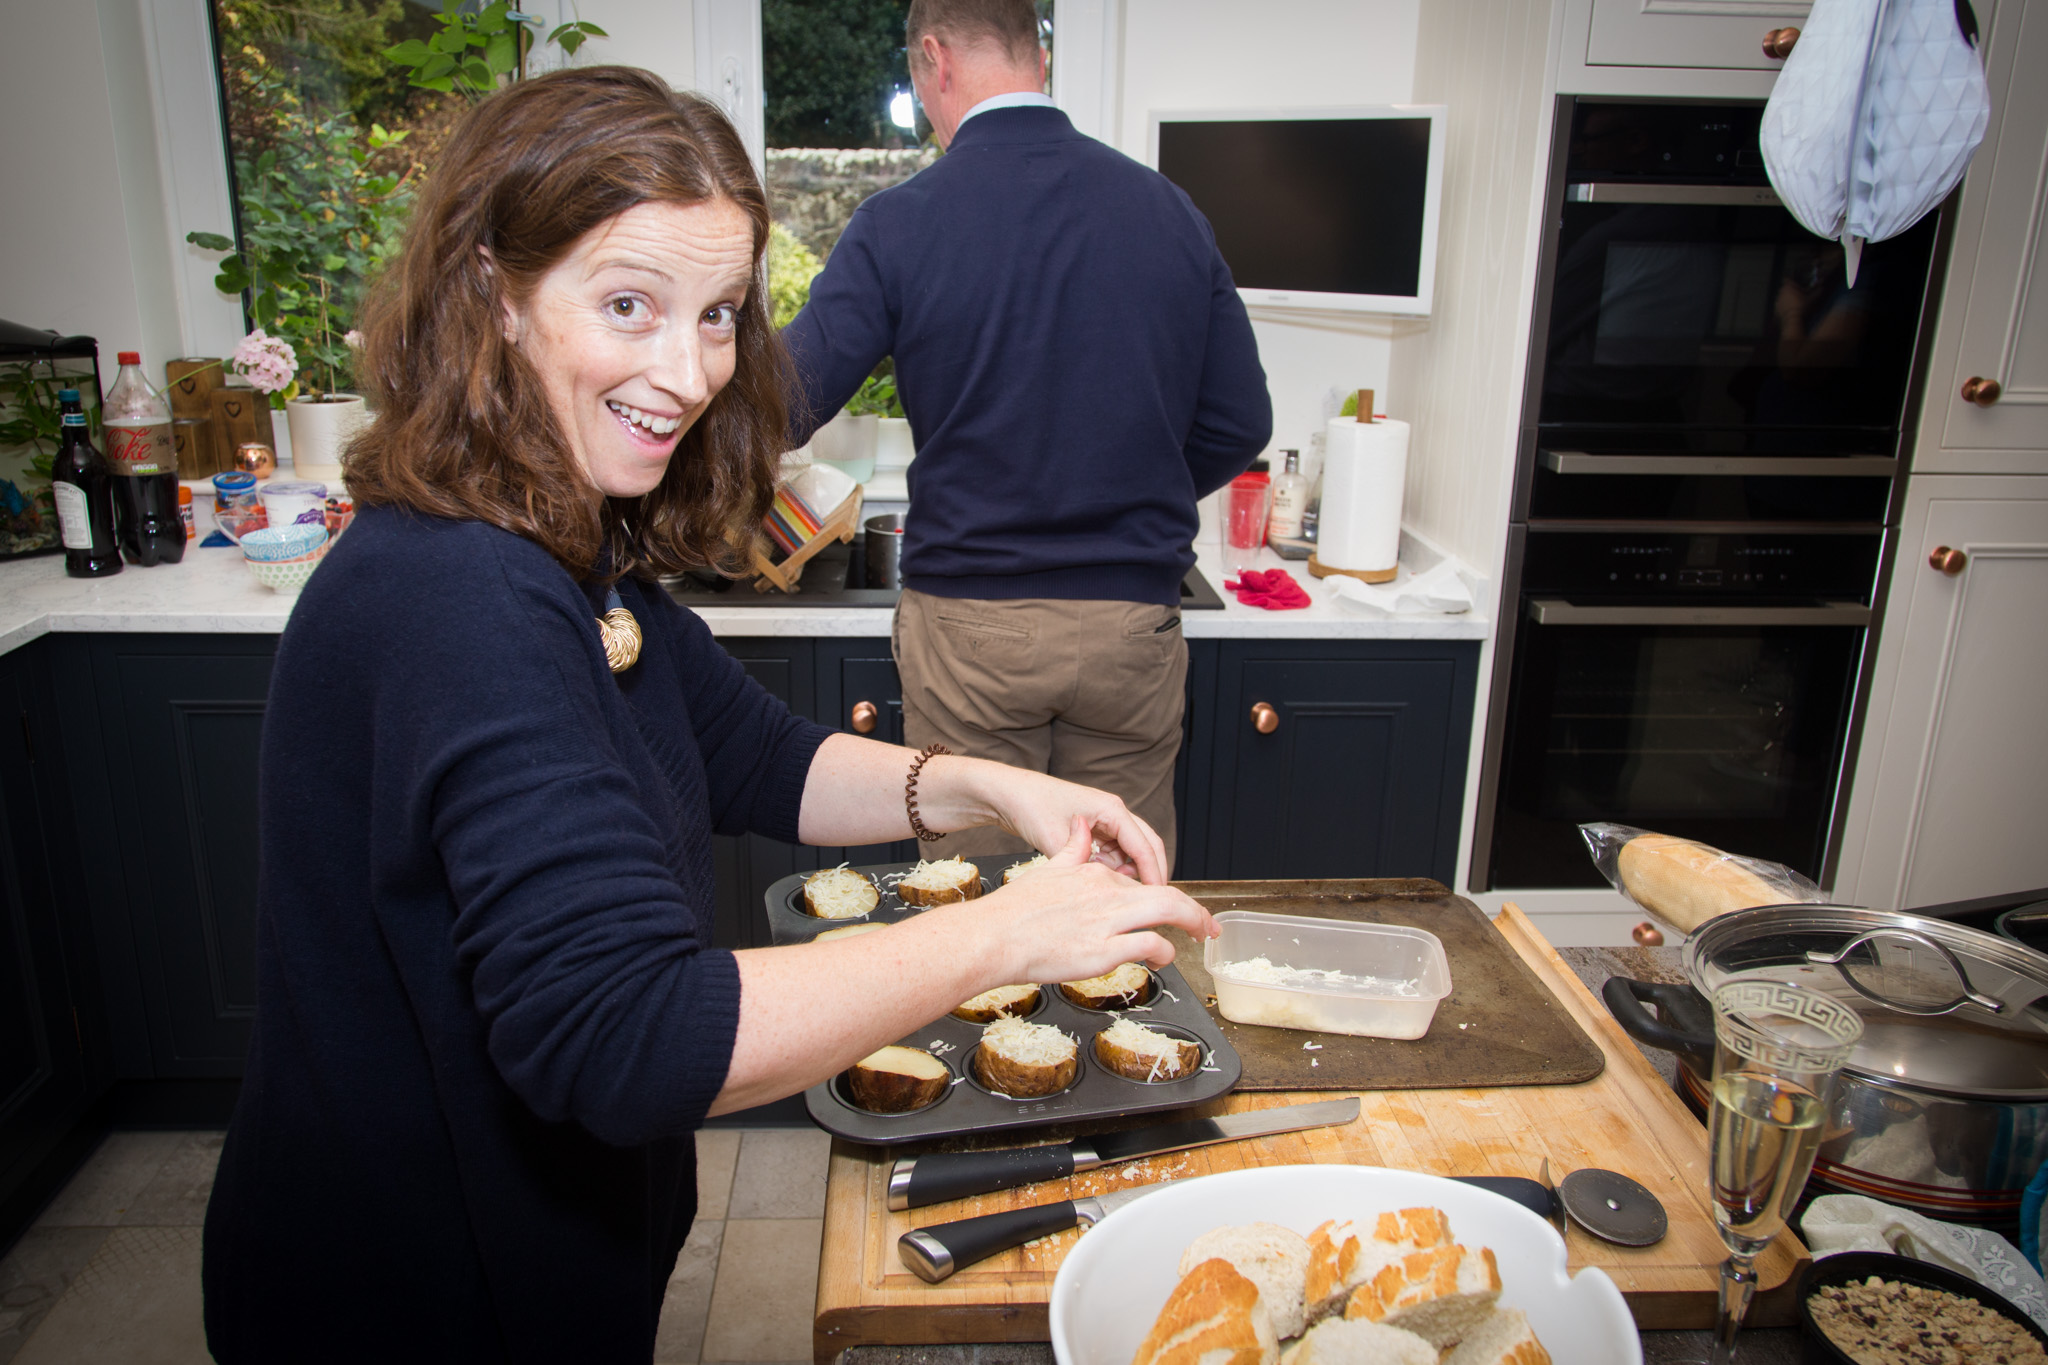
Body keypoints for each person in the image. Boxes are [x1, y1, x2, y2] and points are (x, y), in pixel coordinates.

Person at [200, 67, 1213, 1364]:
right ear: (494, 297)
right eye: (629, 304)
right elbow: (627, 1031)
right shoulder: (464, 595)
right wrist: (1010, 932)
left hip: (527, 1254)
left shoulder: (560, 538)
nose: (685, 372)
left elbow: (758, 758)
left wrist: (990, 787)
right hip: (407, 1292)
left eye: (719, 314)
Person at [783, 0, 1272, 871]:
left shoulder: (900, 222)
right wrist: (1128, 482)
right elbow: (1242, 422)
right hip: (1132, 628)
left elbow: (782, 403)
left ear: (933, 59)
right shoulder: (1170, 212)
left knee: (981, 915)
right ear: (1036, 56)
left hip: (974, 629)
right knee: (1116, 897)